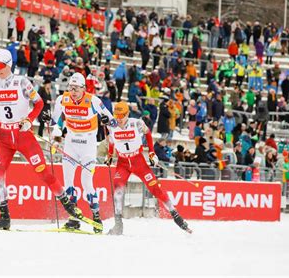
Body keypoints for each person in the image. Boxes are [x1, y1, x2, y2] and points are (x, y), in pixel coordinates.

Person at [0, 49, 81, 230]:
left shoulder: (21, 82)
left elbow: (40, 102)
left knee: (43, 172)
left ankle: (71, 209)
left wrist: (29, 119)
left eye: (0, 66)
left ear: (9, 64)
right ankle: (4, 217)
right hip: (4, 137)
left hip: (23, 135)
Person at [105, 102, 191, 235]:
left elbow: (148, 133)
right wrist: (110, 155)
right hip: (122, 163)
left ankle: (175, 215)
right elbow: (111, 141)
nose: (119, 119)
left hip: (138, 161)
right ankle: (118, 224)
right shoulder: (111, 125)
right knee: (117, 188)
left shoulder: (137, 123)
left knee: (154, 187)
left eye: (122, 115)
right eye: (117, 115)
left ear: (127, 114)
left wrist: (151, 153)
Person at [46, 72, 116, 233]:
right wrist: (46, 119)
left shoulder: (93, 100)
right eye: (71, 87)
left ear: (83, 88)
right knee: (68, 184)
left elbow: (112, 121)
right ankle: (73, 218)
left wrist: (107, 121)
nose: (73, 91)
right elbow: (54, 120)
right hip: (70, 143)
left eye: (76, 88)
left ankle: (96, 216)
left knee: (86, 182)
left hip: (88, 145)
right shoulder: (62, 100)